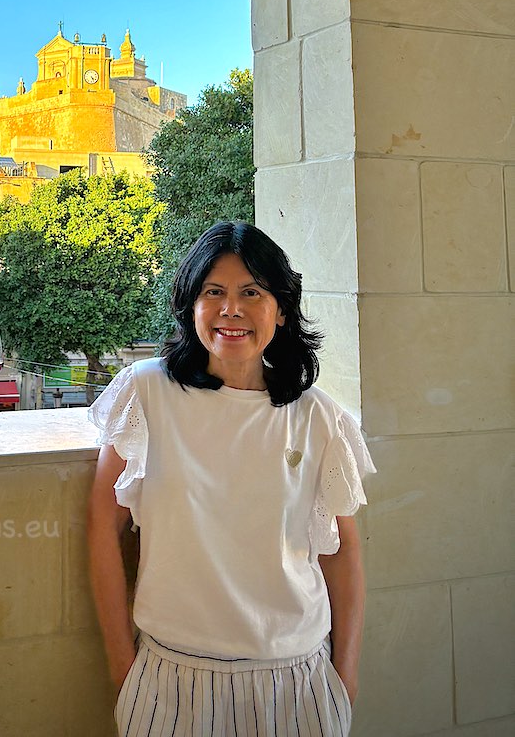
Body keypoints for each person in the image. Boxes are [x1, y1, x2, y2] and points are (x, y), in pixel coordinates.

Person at [87, 221, 375, 737]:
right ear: (189, 305)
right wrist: (122, 668)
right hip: (169, 680)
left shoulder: (317, 418)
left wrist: (344, 678)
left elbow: (342, 552)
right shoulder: (145, 393)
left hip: (297, 681)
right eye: (213, 292)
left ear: (281, 310)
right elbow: (103, 529)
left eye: (252, 293)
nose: (231, 310)